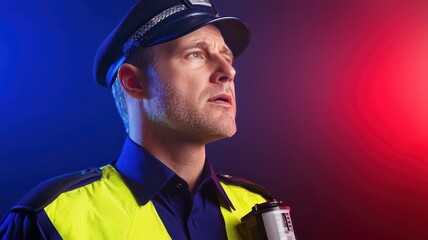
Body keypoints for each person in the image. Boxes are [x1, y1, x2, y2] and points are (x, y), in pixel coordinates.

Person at [0, 0, 275, 239]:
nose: (228, 71)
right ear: (134, 82)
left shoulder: (258, 207)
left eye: (227, 58)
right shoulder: (50, 218)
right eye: (196, 54)